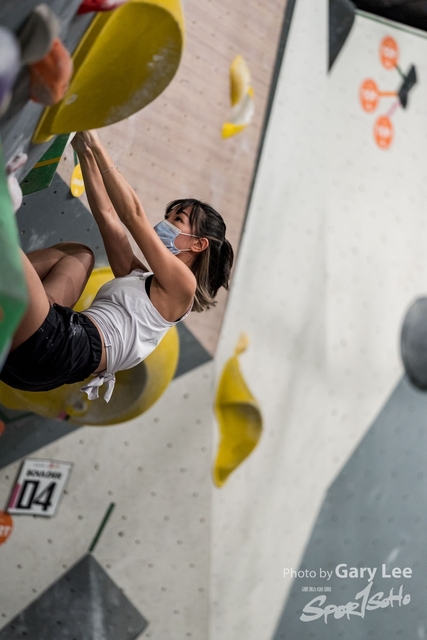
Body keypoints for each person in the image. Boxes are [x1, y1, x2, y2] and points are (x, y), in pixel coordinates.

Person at [0, 130, 234, 402]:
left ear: (198, 245)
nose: (166, 223)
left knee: (6, 244)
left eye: (178, 219)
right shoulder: (140, 280)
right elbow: (108, 216)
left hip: (61, 347)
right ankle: (25, 305)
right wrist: (82, 148)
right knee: (78, 254)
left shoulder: (184, 288)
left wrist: (97, 145)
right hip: (51, 356)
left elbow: (132, 216)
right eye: (168, 216)